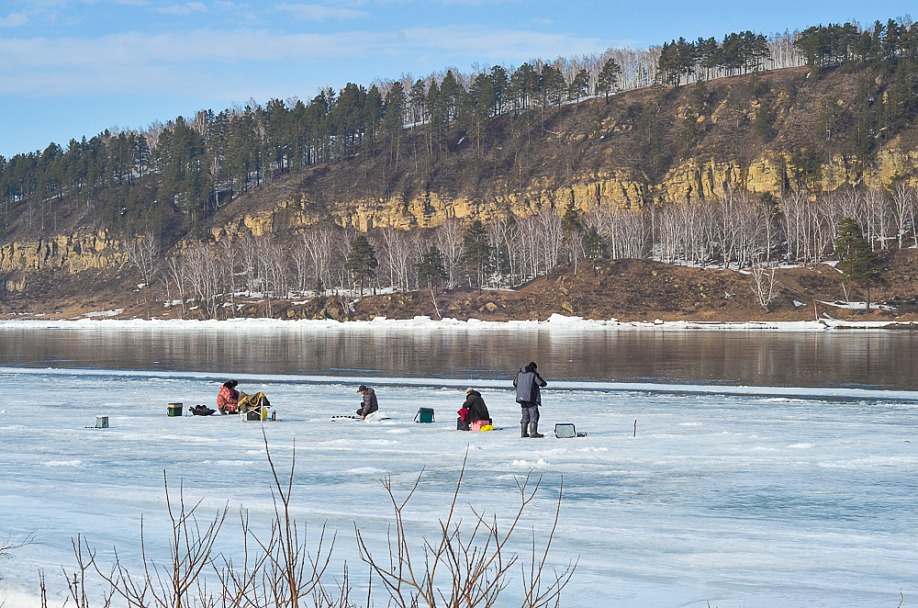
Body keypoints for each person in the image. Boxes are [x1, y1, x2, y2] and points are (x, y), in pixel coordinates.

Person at [513, 362, 547, 438]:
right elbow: (542, 383)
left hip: (521, 398)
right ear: (534, 368)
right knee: (534, 415)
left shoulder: (519, 374)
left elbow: (515, 383)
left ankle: (523, 433)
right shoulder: (533, 374)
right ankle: (533, 433)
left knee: (525, 415)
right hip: (531, 398)